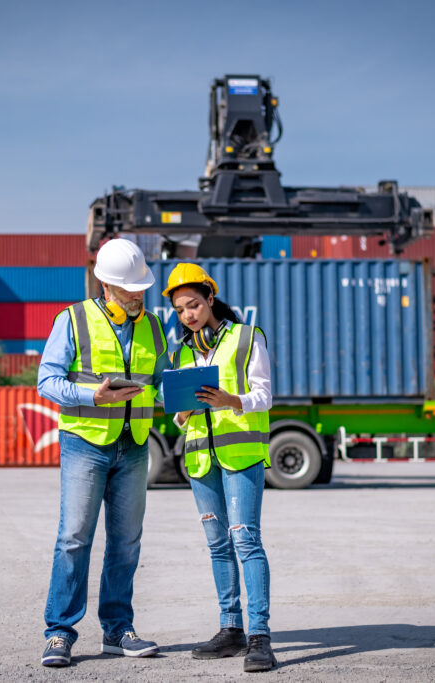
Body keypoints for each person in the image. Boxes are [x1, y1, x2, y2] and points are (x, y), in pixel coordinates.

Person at [36, 238, 170, 668]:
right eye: (130, 288)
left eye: (142, 287)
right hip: (85, 444)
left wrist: (189, 394)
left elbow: (161, 380)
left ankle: (117, 629)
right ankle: (60, 633)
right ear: (105, 285)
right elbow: (47, 381)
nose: (138, 294)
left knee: (126, 543)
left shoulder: (153, 326)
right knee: (74, 539)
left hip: (133, 446)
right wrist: (91, 395)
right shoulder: (72, 320)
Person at [165, 263, 276, 673]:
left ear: (211, 299)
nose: (188, 315)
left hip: (241, 455)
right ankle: (231, 629)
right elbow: (178, 416)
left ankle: (260, 637)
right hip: (200, 458)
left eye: (193, 304)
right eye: (180, 310)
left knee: (246, 541)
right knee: (217, 545)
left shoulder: (248, 338)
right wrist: (184, 410)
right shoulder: (180, 351)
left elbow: (264, 396)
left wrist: (231, 400)